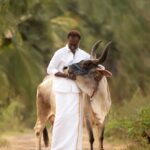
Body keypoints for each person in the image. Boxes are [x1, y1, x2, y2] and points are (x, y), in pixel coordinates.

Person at [47, 30, 90, 150]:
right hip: (61, 89)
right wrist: (65, 75)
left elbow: (91, 69)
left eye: (75, 44)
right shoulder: (59, 53)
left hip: (77, 91)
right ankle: (57, 148)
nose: (73, 46)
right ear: (68, 39)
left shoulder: (85, 55)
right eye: (71, 42)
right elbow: (50, 69)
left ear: (79, 42)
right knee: (61, 119)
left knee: (75, 120)